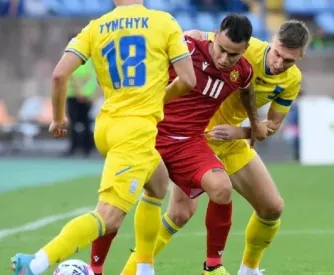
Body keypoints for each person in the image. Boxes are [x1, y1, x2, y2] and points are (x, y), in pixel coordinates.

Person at [88, 20, 309, 275]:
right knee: (180, 212)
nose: (279, 63)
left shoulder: (291, 81)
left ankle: (249, 270)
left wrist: (240, 131)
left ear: (301, 56)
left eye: (289, 60)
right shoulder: (243, 48)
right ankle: (132, 270)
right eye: (278, 54)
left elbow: (270, 126)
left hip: (230, 140)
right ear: (272, 41)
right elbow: (195, 38)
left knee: (272, 207)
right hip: (196, 135)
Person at [10, 0, 196, 274]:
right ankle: (37, 262)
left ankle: (144, 268)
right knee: (109, 217)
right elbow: (188, 80)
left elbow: (59, 74)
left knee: (157, 184)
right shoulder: (163, 21)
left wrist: (59, 118)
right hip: (135, 131)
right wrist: (158, 98)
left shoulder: (95, 27)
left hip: (107, 126)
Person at [64, 38, 98, 157]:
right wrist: (77, 91)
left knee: (86, 122)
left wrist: (84, 92)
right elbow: (66, 75)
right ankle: (73, 147)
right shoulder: (67, 57)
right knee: (73, 123)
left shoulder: (89, 59)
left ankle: (87, 148)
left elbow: (93, 78)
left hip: (85, 97)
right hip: (72, 95)